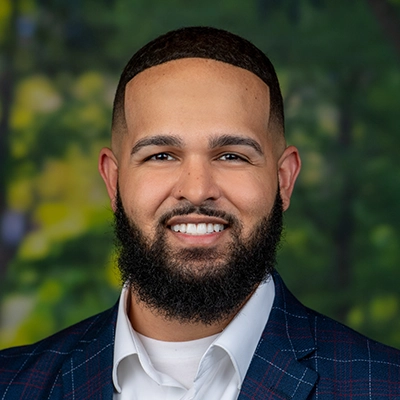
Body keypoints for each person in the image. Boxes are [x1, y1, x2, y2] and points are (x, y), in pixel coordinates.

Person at [0, 26, 399, 400]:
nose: (196, 189)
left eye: (231, 155)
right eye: (160, 155)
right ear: (113, 181)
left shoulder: (384, 385)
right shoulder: (10, 385)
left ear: (284, 179)